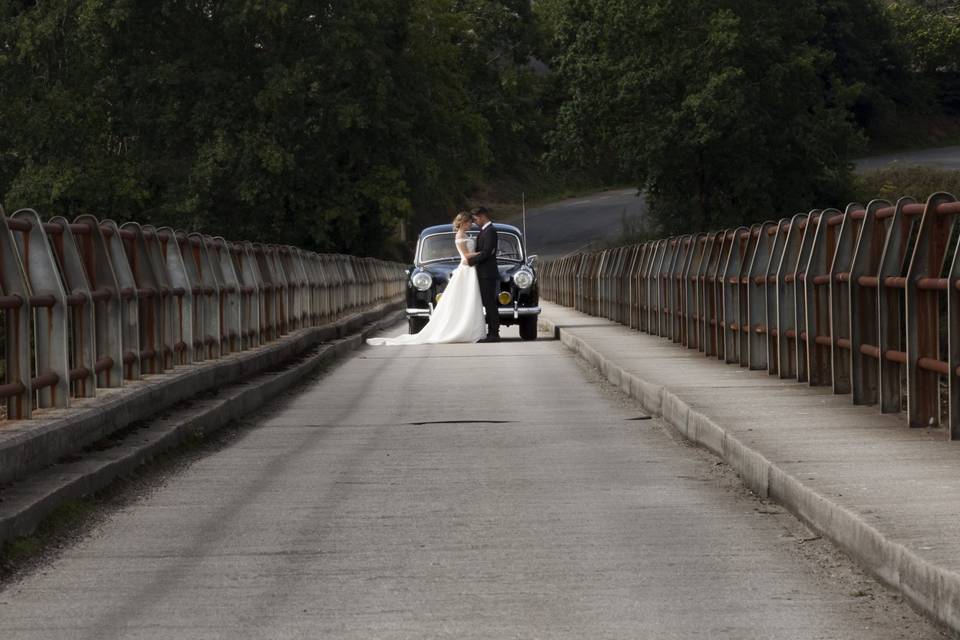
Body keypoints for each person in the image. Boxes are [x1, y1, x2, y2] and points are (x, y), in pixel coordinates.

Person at [366, 212, 486, 346]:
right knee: (464, 299)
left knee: (469, 299)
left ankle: (469, 328)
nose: (471, 224)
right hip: (466, 268)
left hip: (470, 269)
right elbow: (466, 255)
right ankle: (461, 329)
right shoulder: (459, 236)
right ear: (463, 222)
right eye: (469, 222)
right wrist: (483, 253)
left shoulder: (465, 235)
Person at [467, 206, 500, 342]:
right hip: (483, 272)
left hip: (487, 273)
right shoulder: (485, 230)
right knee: (487, 302)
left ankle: (494, 333)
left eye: (475, 219)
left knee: (489, 303)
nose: (475, 222)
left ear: (482, 216)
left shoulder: (490, 231)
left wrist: (470, 261)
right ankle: (490, 332)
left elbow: (487, 252)